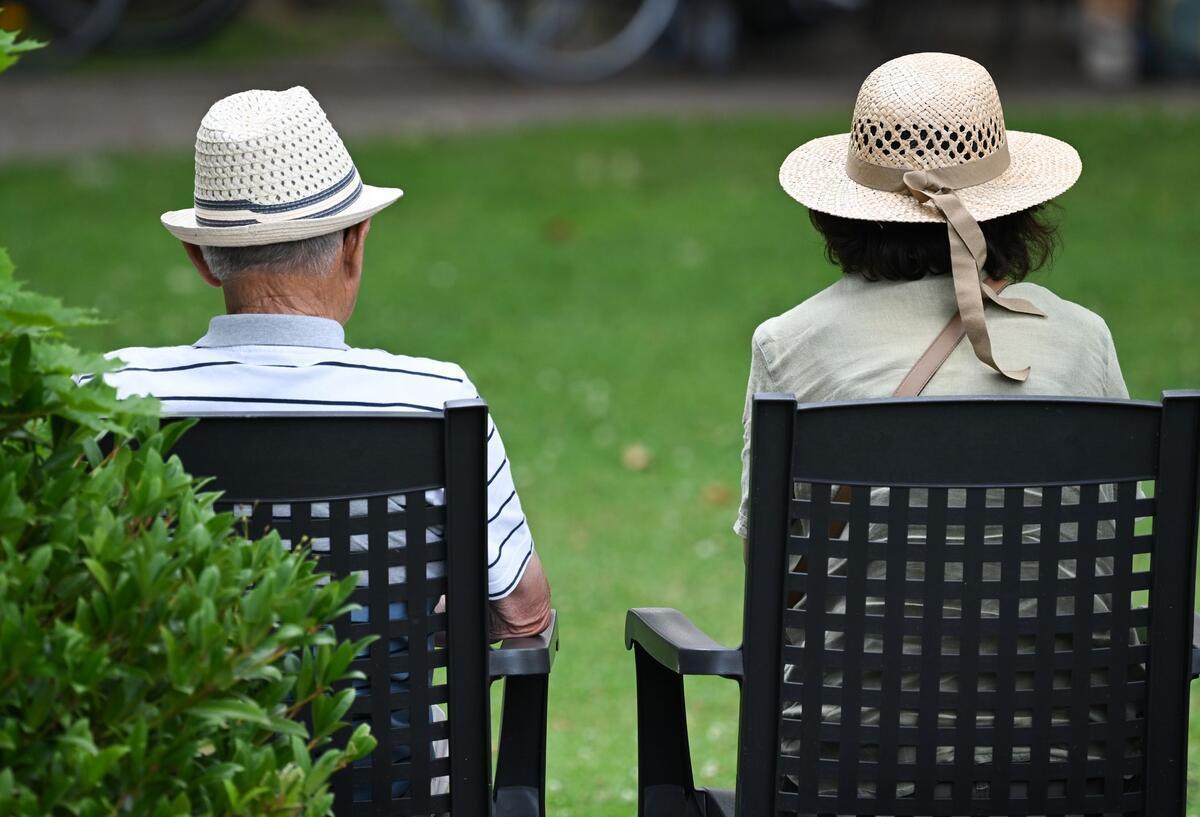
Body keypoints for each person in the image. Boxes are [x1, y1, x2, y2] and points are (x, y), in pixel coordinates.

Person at [97, 86, 552, 798]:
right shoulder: (434, 399)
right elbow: (524, 616)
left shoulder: (115, 394)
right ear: (354, 242)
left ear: (201, 256)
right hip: (394, 781)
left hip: (178, 784)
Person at [735, 52, 1129, 798]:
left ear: (842, 206)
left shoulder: (789, 345)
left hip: (850, 747)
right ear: (1012, 204)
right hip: (1075, 745)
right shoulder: (1082, 339)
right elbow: (1105, 558)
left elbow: (775, 577)